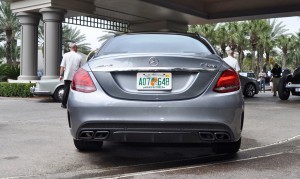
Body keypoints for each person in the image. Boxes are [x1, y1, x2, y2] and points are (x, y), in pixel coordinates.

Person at [59, 43, 82, 108]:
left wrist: (61, 75)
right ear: (74, 48)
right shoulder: (79, 56)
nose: (77, 49)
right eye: (76, 48)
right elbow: (80, 68)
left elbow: (62, 66)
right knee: (75, 91)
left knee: (66, 90)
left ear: (71, 48)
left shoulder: (65, 55)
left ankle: (63, 104)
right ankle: (75, 104)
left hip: (67, 76)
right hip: (75, 77)